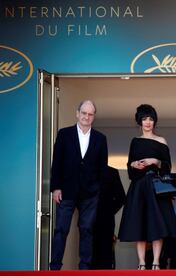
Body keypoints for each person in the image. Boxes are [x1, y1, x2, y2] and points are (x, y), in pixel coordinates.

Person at [49, 100, 108, 270]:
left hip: (90, 193)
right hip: (66, 190)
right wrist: (56, 188)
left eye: (90, 114)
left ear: (93, 117)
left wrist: (99, 191)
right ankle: (54, 267)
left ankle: (84, 268)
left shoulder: (100, 138)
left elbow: (102, 168)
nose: (86, 117)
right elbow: (57, 163)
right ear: (77, 113)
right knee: (61, 229)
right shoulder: (64, 134)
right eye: (84, 113)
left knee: (87, 230)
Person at [118, 104, 176, 270]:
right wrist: (135, 164)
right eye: (144, 119)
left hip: (157, 188)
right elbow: (130, 169)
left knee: (158, 224)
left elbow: (167, 167)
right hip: (139, 187)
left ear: (155, 121)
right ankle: (142, 263)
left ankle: (157, 262)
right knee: (140, 224)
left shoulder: (161, 141)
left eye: (151, 119)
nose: (148, 122)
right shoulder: (135, 142)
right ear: (139, 121)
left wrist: (155, 162)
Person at [91, 165, 126, 269]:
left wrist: (85, 212)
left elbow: (121, 198)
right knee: (104, 253)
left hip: (92, 219)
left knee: (91, 254)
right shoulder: (112, 172)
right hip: (105, 218)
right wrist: (110, 211)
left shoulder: (85, 169)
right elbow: (121, 198)